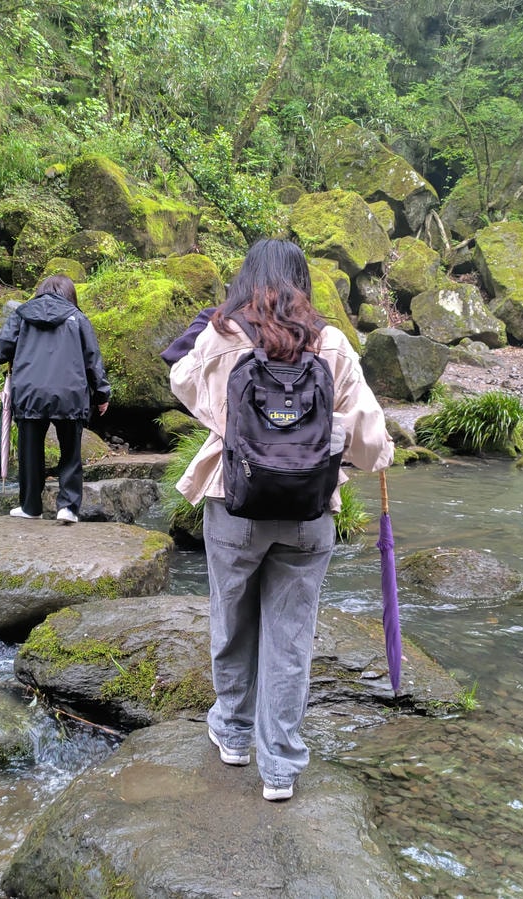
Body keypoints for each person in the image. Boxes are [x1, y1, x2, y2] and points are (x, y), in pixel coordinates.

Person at [168, 238, 394, 801]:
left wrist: (224, 405)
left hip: (233, 501)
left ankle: (234, 735)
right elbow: (370, 445)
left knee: (231, 620)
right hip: (308, 512)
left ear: (245, 280)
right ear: (303, 282)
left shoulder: (221, 338)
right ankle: (281, 769)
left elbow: (181, 383)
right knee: (290, 638)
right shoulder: (332, 344)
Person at [0, 275, 110, 523]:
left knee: (30, 453)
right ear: (69, 293)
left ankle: (30, 507)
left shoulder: (22, 315)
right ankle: (67, 507)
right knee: (70, 452)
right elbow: (92, 360)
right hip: (70, 392)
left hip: (29, 391)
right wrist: (102, 394)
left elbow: (0, 350)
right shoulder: (77, 318)